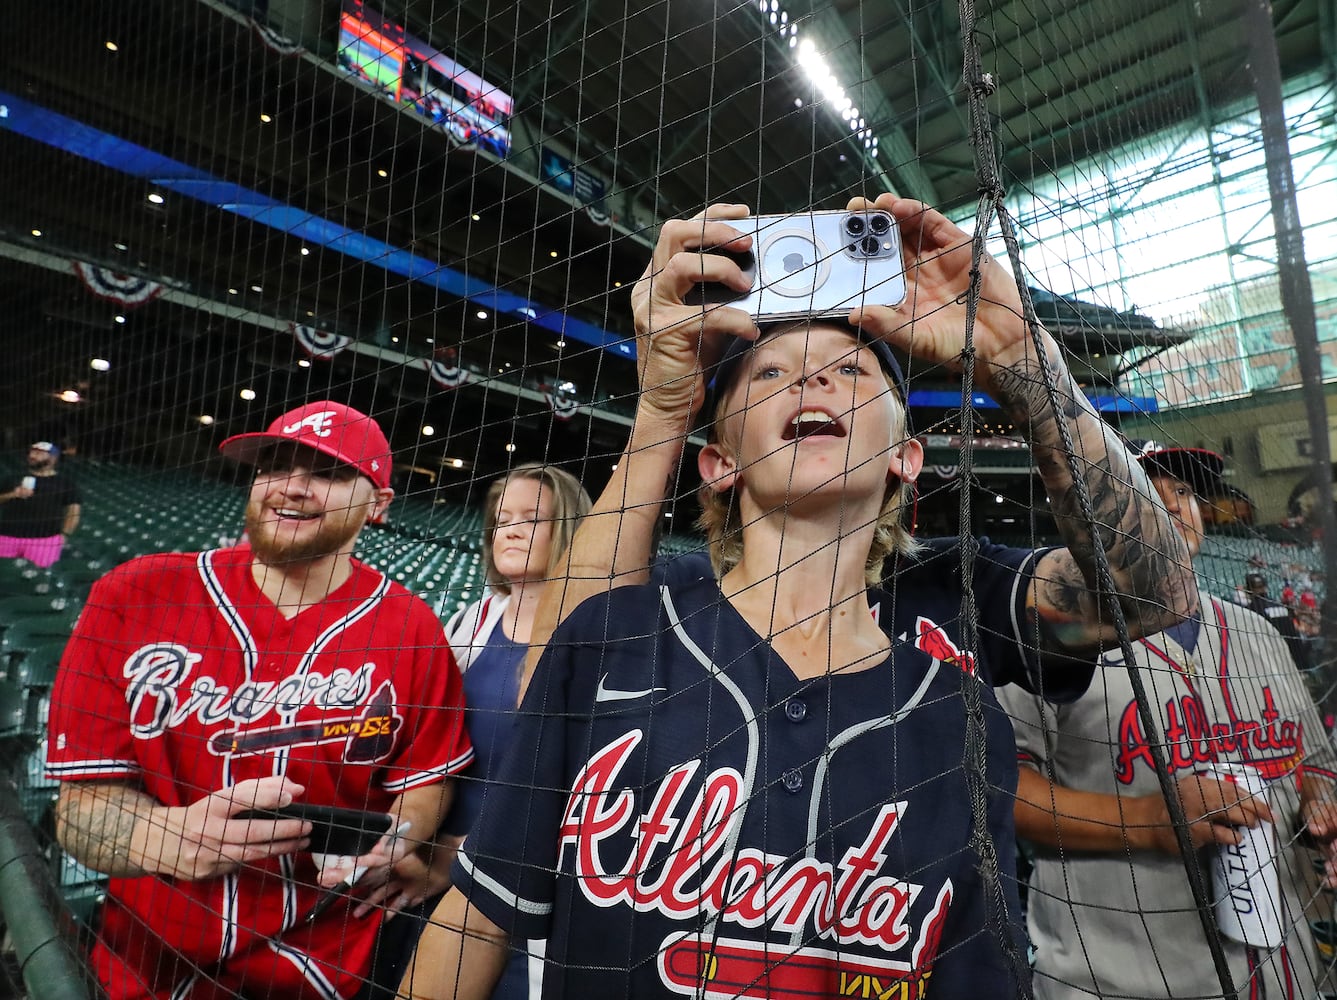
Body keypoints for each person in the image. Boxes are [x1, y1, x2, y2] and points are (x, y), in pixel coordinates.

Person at [399, 196, 1197, 1000]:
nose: (813, 378)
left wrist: (1016, 354)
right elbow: (549, 693)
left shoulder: (961, 688)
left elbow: (1151, 593)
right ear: (718, 465)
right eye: (770, 372)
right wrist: (664, 408)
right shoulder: (638, 621)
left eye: (851, 370)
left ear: (906, 458)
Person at [46, 401, 474, 1000]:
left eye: (327, 473)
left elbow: (426, 778)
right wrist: (166, 834)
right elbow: (78, 812)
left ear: (378, 504)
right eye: (274, 465)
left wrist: (397, 841)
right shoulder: (136, 595)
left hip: (324, 964)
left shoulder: (413, 629)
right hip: (142, 957)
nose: (291, 488)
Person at [998, 442, 1337, 1000]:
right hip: (1118, 977)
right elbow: (1001, 789)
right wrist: (1149, 819)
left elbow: (1316, 768)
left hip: (1288, 972)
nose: (1172, 506)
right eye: (1137, 490)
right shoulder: (1048, 632)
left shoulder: (1260, 634)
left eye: (1182, 491)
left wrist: (1320, 809)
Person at [363, 463, 591, 1000]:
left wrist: (464, 855)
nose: (509, 530)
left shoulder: (601, 633)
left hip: (538, 891)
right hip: (431, 878)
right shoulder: (472, 621)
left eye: (532, 519)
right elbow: (427, 751)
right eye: (500, 519)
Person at [0, 440, 80, 567]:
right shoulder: (12, 477)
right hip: (6, 538)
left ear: (53, 458)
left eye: (38, 453)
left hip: (45, 541)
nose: (32, 455)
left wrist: (64, 535)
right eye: (32, 452)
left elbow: (73, 512)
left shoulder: (65, 483)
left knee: (40, 578)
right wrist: (12, 494)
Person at [1244, 571, 1311, 670]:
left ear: (1249, 589)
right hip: (1290, 658)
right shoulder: (1280, 606)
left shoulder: (1251, 609)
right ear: (1265, 587)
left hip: (1270, 660)